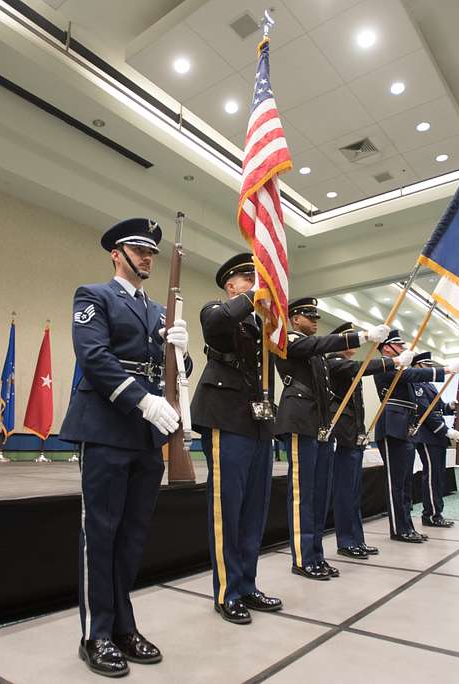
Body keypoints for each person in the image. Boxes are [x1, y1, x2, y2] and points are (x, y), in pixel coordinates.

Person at [60, 217, 192, 677]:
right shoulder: (93, 296)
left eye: (152, 251)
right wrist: (142, 400)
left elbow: (174, 368)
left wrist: (184, 348)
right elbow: (94, 357)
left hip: (145, 436)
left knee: (132, 537)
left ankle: (123, 627)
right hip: (106, 426)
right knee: (100, 534)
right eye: (139, 249)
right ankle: (95, 634)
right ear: (117, 253)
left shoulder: (159, 311)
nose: (147, 257)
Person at [190, 253, 281, 625]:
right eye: (249, 279)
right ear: (232, 285)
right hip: (225, 418)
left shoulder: (262, 327)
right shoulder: (218, 310)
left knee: (254, 511)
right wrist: (254, 297)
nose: (256, 285)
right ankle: (227, 591)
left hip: (258, 423)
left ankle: (247, 584)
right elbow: (215, 323)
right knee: (227, 510)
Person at [274, 297, 389, 580]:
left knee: (319, 493)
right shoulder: (290, 339)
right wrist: (360, 337)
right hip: (300, 420)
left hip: (320, 424)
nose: (314, 320)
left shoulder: (316, 354)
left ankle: (316, 555)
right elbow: (319, 346)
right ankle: (303, 558)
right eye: (308, 316)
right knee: (303, 495)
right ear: (294, 319)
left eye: (315, 316)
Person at [374, 335, 459, 540]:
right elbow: (410, 375)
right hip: (392, 426)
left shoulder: (400, 368)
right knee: (395, 482)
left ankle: (407, 525)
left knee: (405, 482)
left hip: (406, 428)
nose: (401, 348)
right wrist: (446, 370)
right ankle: (399, 528)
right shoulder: (384, 366)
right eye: (397, 345)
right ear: (386, 348)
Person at [323, 322, 398, 559]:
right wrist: (392, 362)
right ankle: (346, 541)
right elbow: (359, 368)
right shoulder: (334, 362)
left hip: (354, 436)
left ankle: (357, 539)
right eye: (349, 338)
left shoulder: (346, 364)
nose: (354, 343)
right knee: (345, 492)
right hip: (342, 437)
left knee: (354, 492)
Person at [410, 352, 459, 527]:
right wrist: (446, 431)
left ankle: (436, 512)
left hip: (436, 437)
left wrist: (450, 406)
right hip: (428, 436)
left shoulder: (429, 385)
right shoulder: (416, 383)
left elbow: (438, 408)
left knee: (438, 476)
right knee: (432, 476)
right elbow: (425, 413)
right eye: (426, 365)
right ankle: (431, 515)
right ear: (418, 365)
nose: (429, 367)